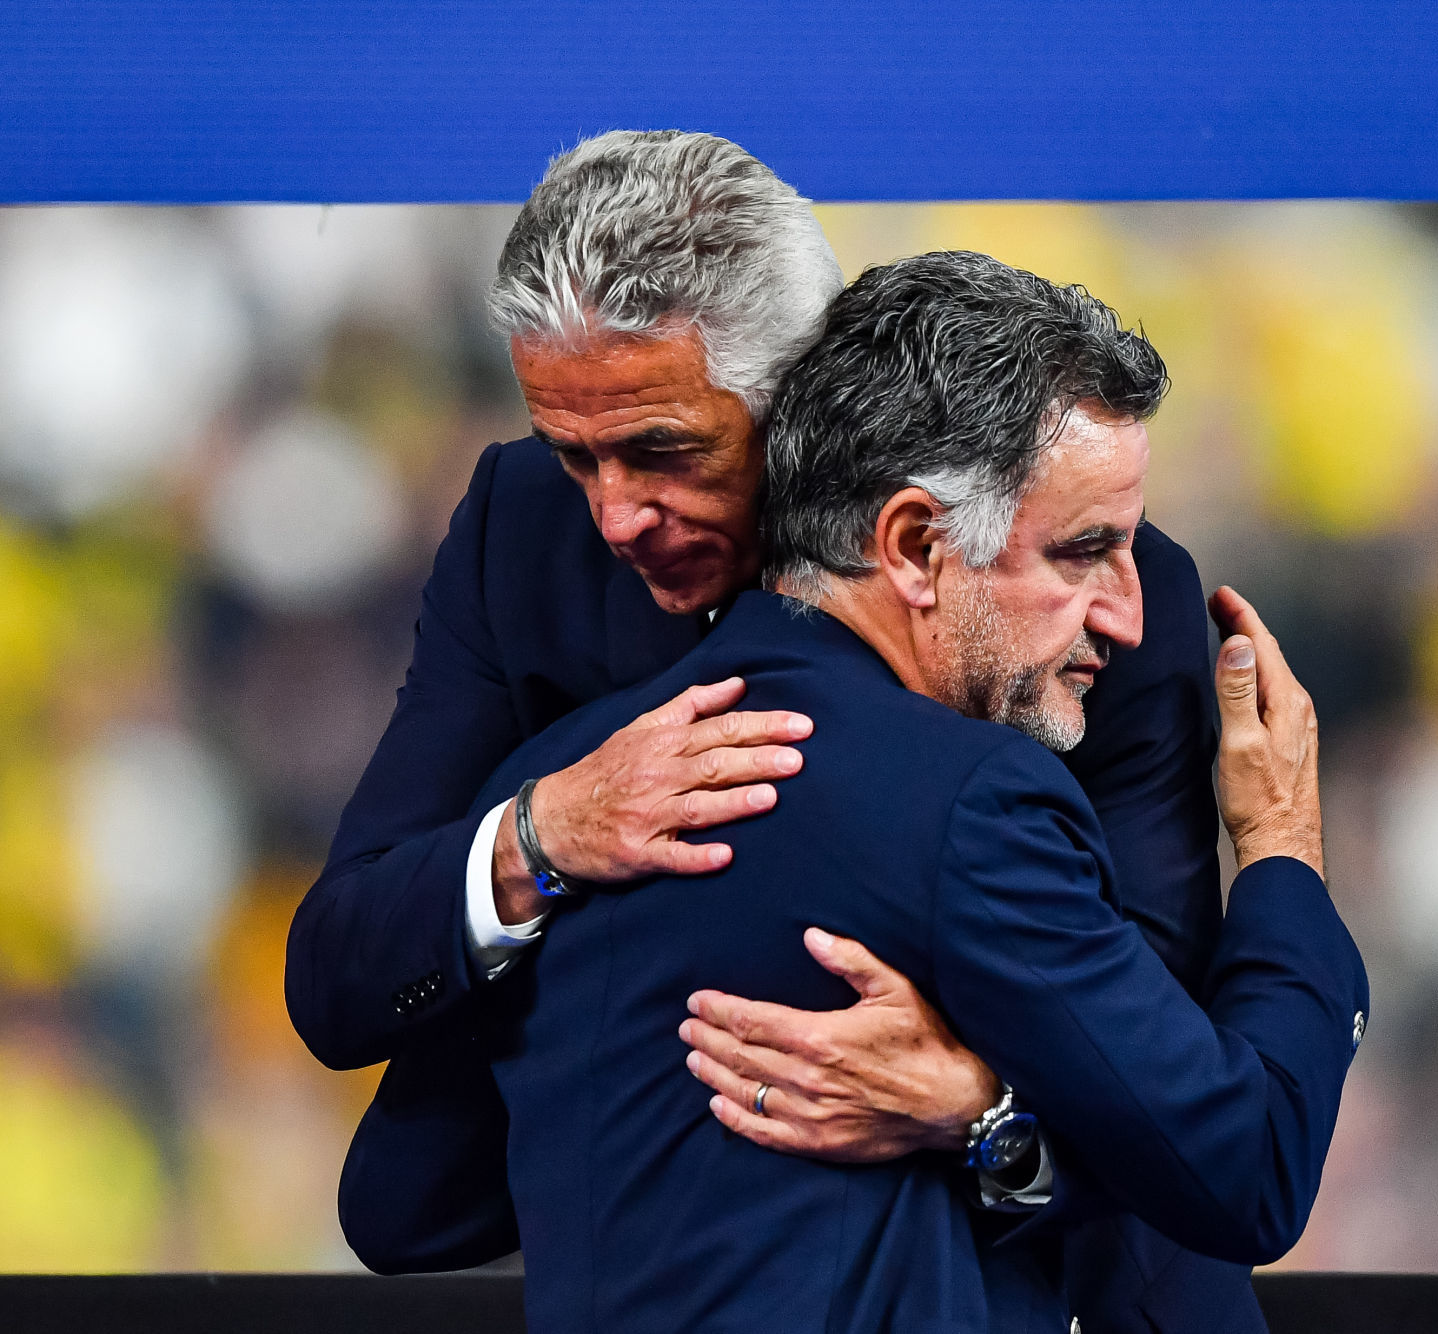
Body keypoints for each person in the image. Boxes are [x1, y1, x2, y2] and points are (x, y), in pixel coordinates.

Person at [288, 131, 1287, 1331]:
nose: (614, 515)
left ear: (808, 392)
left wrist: (976, 1106)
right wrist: (540, 835)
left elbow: (1156, 1055)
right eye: (575, 455)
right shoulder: (525, 533)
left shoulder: (1077, 586)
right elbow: (340, 972)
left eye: (663, 450)